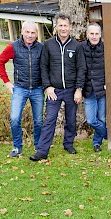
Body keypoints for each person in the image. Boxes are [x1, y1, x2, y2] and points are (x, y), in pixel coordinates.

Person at [30, 13, 85, 161]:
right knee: (50, 120)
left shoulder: (76, 46)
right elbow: (43, 67)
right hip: (54, 90)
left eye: (65, 25)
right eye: (60, 25)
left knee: (71, 120)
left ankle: (68, 144)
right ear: (56, 27)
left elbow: (81, 68)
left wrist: (79, 89)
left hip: (71, 90)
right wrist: (47, 86)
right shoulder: (48, 45)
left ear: (70, 27)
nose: (63, 28)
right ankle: (42, 151)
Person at [0, 21, 44, 158]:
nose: (30, 35)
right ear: (22, 32)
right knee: (15, 118)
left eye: (33, 32)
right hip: (20, 88)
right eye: (27, 32)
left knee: (39, 120)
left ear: (36, 34)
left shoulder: (41, 48)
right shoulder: (13, 47)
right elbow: (0, 61)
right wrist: (6, 81)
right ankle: (17, 147)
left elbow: (47, 67)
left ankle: (38, 146)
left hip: (37, 89)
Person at [80, 23, 107, 152]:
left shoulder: (106, 48)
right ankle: (107, 133)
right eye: (92, 33)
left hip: (102, 89)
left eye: (97, 34)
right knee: (91, 120)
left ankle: (97, 142)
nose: (94, 36)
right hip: (89, 90)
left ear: (100, 35)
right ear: (87, 35)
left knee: (102, 118)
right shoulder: (81, 48)